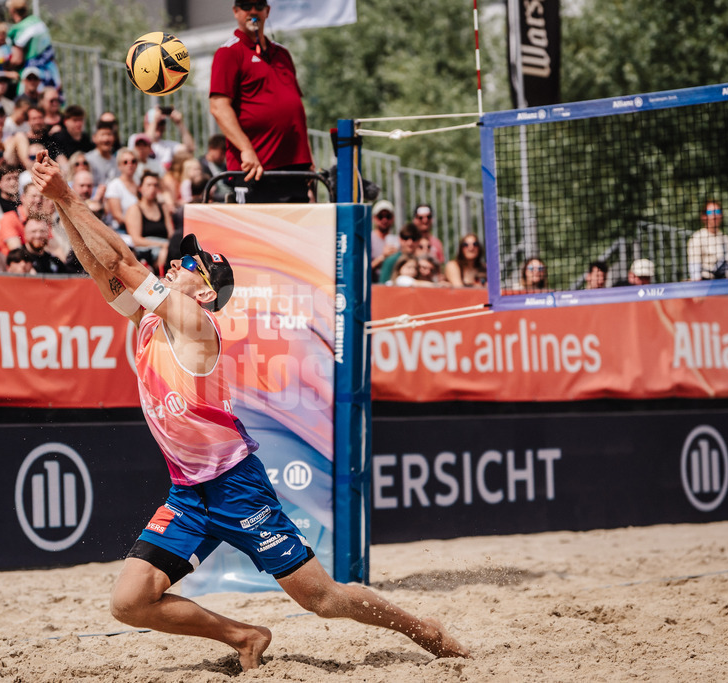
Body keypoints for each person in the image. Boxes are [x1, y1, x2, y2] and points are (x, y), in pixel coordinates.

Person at [29, 150, 468, 669]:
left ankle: (423, 628)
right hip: (189, 492)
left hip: (237, 486)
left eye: (187, 264)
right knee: (129, 601)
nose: (174, 262)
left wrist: (67, 196)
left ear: (207, 290)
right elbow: (103, 269)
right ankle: (244, 637)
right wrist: (60, 209)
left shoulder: (194, 321)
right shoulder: (149, 321)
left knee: (322, 600)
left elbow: (123, 261)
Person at [209, 1, 312, 203]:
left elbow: (294, 109)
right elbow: (219, 107)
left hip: (293, 168)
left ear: (267, 11)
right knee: (255, 233)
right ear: (236, 12)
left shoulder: (282, 54)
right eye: (246, 6)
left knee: (294, 233)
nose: (253, 11)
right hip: (255, 168)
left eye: (258, 5)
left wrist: (307, 157)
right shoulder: (229, 52)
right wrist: (246, 149)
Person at [5, 0, 61, 94]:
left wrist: (5, 67)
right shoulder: (37, 21)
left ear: (12, 10)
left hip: (33, 75)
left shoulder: (18, 29)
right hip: (51, 70)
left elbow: (17, 59)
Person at [125, 171, 174, 272]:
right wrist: (162, 245)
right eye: (149, 185)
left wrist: (167, 246)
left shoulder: (163, 207)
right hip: (145, 251)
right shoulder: (135, 209)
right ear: (140, 188)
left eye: (155, 185)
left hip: (166, 249)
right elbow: (136, 240)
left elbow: (171, 234)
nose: (152, 189)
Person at [688, 199, 728, 281]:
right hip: (705, 283)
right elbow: (694, 268)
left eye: (717, 212)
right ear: (704, 217)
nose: (714, 216)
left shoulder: (725, 239)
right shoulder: (697, 237)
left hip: (723, 283)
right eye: (710, 212)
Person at [104, 148, 139, 228]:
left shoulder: (139, 181)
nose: (130, 164)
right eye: (125, 162)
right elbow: (117, 216)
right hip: (122, 228)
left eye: (133, 161)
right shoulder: (114, 185)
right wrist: (137, 226)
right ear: (119, 166)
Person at [370, 200, 399, 282]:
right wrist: (383, 257)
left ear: (393, 218)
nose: (384, 220)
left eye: (388, 216)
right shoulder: (368, 239)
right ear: (374, 218)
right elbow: (362, 270)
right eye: (380, 216)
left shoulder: (398, 240)